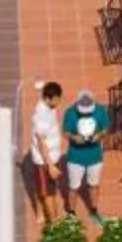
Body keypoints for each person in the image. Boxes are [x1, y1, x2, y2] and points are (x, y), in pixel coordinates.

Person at [59, 87, 112, 224]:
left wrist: (99, 135)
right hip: (75, 158)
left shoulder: (100, 111)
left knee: (93, 185)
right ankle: (71, 213)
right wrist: (74, 137)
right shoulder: (70, 113)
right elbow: (65, 132)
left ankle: (94, 210)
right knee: (73, 186)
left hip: (95, 157)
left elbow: (106, 129)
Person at [27, 81, 66, 223]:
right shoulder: (41, 116)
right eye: (57, 100)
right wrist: (50, 166)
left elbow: (42, 89)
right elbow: (41, 143)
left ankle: (47, 214)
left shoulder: (47, 102)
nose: (59, 102)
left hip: (53, 157)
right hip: (44, 161)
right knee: (47, 193)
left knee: (49, 189)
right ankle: (55, 223)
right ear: (49, 99)